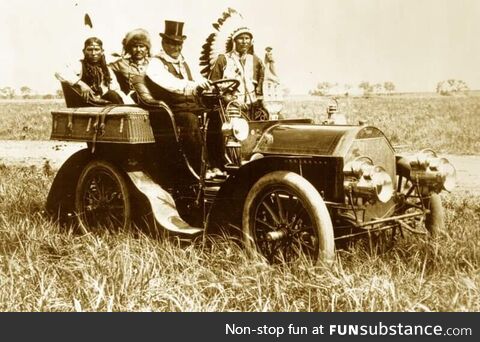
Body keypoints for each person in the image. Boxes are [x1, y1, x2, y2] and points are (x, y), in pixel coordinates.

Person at [145, 20, 211, 173]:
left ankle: (220, 164)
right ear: (163, 43)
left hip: (193, 106)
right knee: (190, 120)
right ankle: (199, 170)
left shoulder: (185, 62)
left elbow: (199, 78)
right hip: (171, 111)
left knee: (217, 117)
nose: (177, 47)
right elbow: (169, 83)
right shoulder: (155, 63)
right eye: (172, 44)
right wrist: (192, 86)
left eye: (179, 44)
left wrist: (208, 84)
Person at [208, 26, 265, 112]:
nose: (244, 42)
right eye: (241, 38)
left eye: (247, 38)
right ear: (234, 41)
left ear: (251, 41)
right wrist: (231, 100)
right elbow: (213, 86)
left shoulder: (255, 60)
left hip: (252, 108)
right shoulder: (223, 59)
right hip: (229, 108)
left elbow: (260, 84)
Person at [55, 37, 127, 104]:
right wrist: (81, 84)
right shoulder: (79, 65)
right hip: (86, 103)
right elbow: (59, 72)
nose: (93, 53)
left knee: (113, 95)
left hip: (104, 103)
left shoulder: (106, 69)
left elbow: (116, 89)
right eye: (90, 49)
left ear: (102, 51)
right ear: (84, 51)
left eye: (96, 50)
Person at [109, 28, 156, 105]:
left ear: (147, 49)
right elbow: (103, 68)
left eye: (141, 46)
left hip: (154, 98)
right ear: (129, 49)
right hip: (132, 101)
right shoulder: (121, 64)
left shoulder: (154, 63)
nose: (138, 49)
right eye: (135, 46)